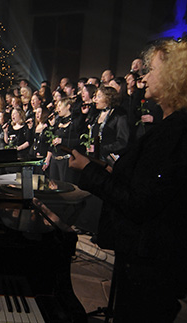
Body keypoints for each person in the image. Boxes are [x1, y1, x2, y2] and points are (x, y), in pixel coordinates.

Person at [69, 38, 187, 322]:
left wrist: (89, 171)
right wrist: (112, 173)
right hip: (144, 261)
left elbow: (139, 203)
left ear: (175, 76)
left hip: (149, 265)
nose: (145, 77)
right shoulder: (169, 127)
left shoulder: (174, 133)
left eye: (152, 70)